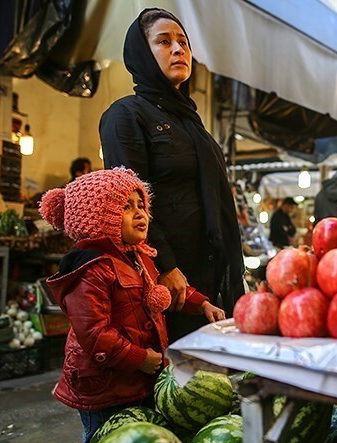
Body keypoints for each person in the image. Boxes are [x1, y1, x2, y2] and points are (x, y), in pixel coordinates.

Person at [39, 167, 225, 443]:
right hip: (104, 388)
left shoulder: (138, 257)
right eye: (126, 207)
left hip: (138, 380)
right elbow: (94, 334)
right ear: (99, 217)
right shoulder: (90, 270)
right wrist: (138, 358)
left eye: (141, 205)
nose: (140, 214)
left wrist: (201, 303)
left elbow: (161, 289)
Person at [99, 8, 244, 342]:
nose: (179, 49)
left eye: (184, 42)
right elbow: (129, 202)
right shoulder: (126, 115)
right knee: (170, 368)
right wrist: (165, 265)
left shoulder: (192, 124)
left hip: (206, 278)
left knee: (206, 370)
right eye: (164, 42)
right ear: (142, 53)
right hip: (166, 283)